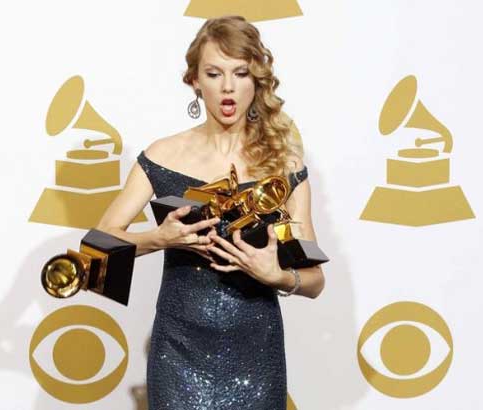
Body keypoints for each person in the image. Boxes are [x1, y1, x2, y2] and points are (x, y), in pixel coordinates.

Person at [97, 15, 325, 410]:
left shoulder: (283, 166)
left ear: (257, 80)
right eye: (214, 73)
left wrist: (276, 275)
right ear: (194, 81)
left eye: (241, 73)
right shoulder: (162, 156)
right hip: (177, 356)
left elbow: (315, 280)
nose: (228, 87)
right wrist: (159, 239)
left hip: (257, 358)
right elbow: (99, 246)